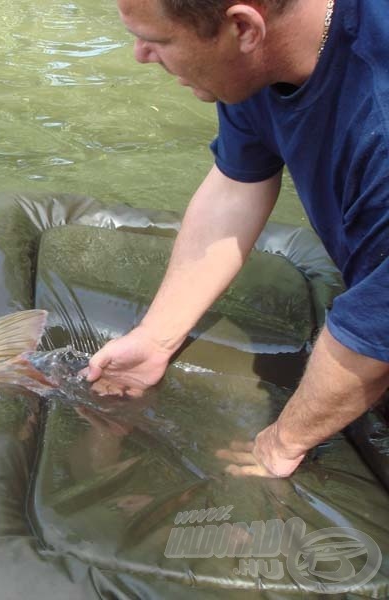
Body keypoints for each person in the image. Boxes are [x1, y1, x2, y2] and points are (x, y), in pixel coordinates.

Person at [84, 0, 389, 478]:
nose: (139, 55)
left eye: (158, 40)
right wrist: (156, 336)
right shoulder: (252, 64)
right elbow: (238, 185)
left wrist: (283, 442)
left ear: (243, 28)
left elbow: (374, 331)